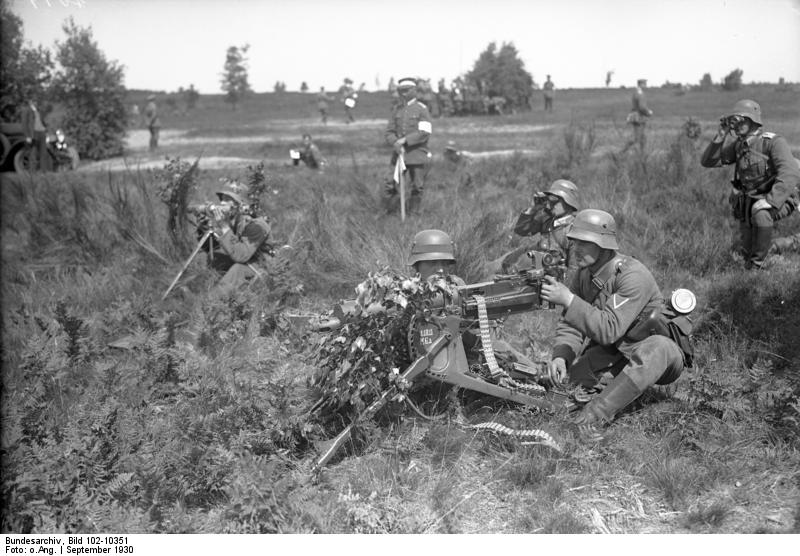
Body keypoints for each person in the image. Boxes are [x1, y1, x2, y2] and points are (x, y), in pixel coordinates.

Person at [540, 209, 691, 426]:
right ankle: (604, 392)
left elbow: (609, 329)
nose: (576, 249)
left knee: (656, 348)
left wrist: (569, 300)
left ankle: (593, 416)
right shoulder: (584, 274)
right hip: (616, 351)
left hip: (658, 355)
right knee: (565, 387)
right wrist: (561, 355)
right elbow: (572, 324)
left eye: (584, 243)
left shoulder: (632, 276)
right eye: (574, 242)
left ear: (604, 245)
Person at [700, 99, 800, 269]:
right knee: (746, 251)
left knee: (761, 215)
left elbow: (790, 173)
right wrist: (720, 136)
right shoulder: (739, 146)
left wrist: (770, 201)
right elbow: (708, 161)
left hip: (782, 198)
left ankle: (757, 267)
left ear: (754, 120)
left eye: (741, 120)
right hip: (750, 203)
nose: (737, 125)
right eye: (734, 122)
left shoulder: (772, 142)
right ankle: (775, 247)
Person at [198, 184, 273, 294]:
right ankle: (205, 288)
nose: (222, 203)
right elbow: (220, 243)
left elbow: (241, 256)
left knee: (237, 270)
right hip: (249, 259)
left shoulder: (256, 225)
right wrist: (203, 227)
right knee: (215, 257)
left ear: (240, 206)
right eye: (222, 200)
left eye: (228, 199)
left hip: (262, 265)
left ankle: (212, 303)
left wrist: (223, 226)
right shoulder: (234, 221)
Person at [495, 179, 580, 273]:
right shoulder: (548, 219)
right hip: (529, 263)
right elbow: (521, 230)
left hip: (546, 275)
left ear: (568, 202)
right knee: (499, 265)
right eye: (549, 199)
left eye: (555, 199)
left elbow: (574, 269)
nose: (551, 204)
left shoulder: (574, 230)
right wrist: (533, 209)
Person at [384, 77, 432, 215]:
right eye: (401, 91)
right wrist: (395, 142)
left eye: (406, 90)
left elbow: (425, 132)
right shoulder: (396, 110)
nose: (403, 93)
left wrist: (405, 140)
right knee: (390, 183)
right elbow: (389, 132)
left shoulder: (422, 109)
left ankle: (414, 214)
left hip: (416, 154)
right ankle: (391, 213)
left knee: (417, 186)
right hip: (399, 155)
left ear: (414, 91)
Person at [620, 79, 653, 154]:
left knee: (643, 138)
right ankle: (622, 152)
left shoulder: (636, 92)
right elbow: (642, 107)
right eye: (645, 84)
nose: (646, 85)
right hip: (639, 117)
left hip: (637, 115)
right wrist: (648, 112)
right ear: (641, 84)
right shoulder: (640, 93)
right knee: (637, 138)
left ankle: (642, 156)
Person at [20, 99, 48, 171]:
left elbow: (42, 121)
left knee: (43, 153)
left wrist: (45, 128)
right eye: (33, 101)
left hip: (42, 132)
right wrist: (27, 136)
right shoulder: (26, 110)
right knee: (33, 153)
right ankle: (33, 173)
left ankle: (44, 172)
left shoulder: (38, 110)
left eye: (36, 101)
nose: (35, 103)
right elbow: (24, 124)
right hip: (33, 133)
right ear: (30, 102)